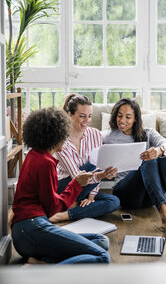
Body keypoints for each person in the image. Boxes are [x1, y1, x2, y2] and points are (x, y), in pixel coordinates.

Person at [11, 107, 111, 264]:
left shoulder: (33, 155)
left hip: (25, 231)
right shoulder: (45, 162)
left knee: (101, 240)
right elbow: (54, 208)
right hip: (31, 229)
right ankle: (47, 273)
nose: (66, 139)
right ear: (55, 136)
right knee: (102, 257)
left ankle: (39, 262)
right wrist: (76, 184)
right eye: (64, 135)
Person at [102, 98, 166, 237]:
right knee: (148, 161)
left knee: (165, 154)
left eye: (128, 117)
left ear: (135, 118)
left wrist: (159, 150)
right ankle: (165, 216)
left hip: (150, 197)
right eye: (119, 115)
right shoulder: (108, 136)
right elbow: (89, 140)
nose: (122, 120)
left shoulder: (148, 133)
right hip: (126, 194)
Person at [49, 94, 120, 223]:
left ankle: (65, 213)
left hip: (86, 188)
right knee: (93, 166)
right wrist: (101, 175)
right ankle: (71, 204)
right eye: (82, 116)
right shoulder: (60, 139)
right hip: (65, 187)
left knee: (114, 201)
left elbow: (98, 168)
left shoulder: (95, 134)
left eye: (90, 116)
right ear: (69, 114)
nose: (87, 120)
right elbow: (78, 177)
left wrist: (91, 197)